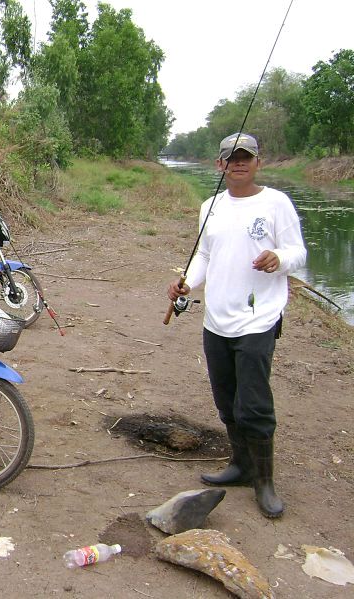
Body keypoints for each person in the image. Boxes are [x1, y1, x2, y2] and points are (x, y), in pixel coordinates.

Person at [167, 132, 306, 518]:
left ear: (258, 162)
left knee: (254, 403)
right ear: (219, 165)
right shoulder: (209, 206)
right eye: (231, 158)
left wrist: (279, 258)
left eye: (246, 157)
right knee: (226, 399)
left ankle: (264, 481)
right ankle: (241, 465)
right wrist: (187, 283)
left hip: (259, 318)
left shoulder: (277, 203)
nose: (238, 163)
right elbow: (205, 256)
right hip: (216, 319)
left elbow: (298, 251)